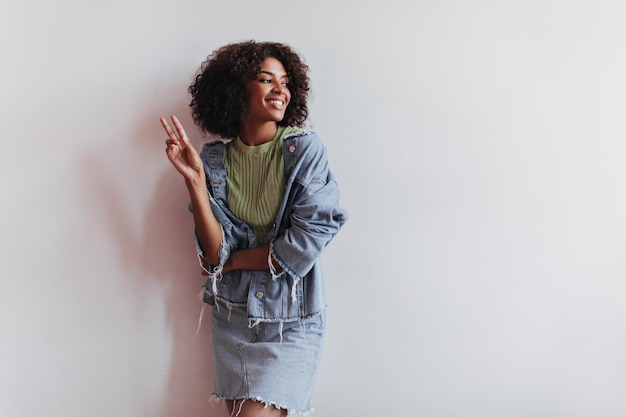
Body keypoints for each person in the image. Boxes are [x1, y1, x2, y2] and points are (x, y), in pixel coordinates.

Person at [159, 41, 347, 417]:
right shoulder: (213, 160)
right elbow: (214, 255)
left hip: (290, 323)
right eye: (266, 80)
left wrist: (231, 263)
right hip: (232, 319)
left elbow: (306, 242)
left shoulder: (304, 151)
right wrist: (195, 182)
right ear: (236, 90)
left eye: (286, 82)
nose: (280, 90)